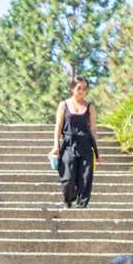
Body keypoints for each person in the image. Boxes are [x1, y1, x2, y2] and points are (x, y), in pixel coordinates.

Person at [52, 78, 99, 208]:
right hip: (68, 143)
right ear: (72, 88)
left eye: (84, 88)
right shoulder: (64, 105)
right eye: (79, 88)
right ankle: (67, 200)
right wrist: (56, 146)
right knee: (68, 177)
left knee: (85, 177)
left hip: (85, 143)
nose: (81, 91)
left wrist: (96, 150)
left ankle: (81, 204)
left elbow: (93, 129)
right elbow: (58, 126)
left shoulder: (90, 107)